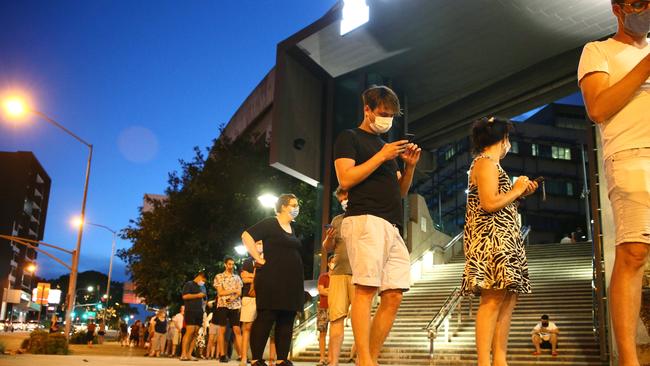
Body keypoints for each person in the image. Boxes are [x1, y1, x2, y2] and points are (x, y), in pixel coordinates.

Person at [578, 2, 650, 364]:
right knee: (633, 253)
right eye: (639, 4)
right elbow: (598, 107)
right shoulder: (598, 51)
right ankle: (628, 359)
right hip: (631, 153)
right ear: (618, 8)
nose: (646, 11)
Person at [333, 85, 421, 366]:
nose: (388, 120)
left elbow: (401, 192)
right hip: (364, 219)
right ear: (367, 110)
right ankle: (368, 361)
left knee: (394, 294)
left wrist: (409, 167)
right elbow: (345, 179)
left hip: (391, 224)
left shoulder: (386, 148)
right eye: (383, 114)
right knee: (366, 289)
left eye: (392, 115)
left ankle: (365, 359)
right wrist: (382, 156)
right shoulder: (350, 137)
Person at [460, 117, 538, 366]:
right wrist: (515, 189)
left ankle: (499, 360)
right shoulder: (484, 164)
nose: (509, 144)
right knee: (492, 299)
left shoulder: (492, 165)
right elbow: (488, 203)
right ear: (502, 139)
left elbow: (497, 201)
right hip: (490, 242)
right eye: (508, 139)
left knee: (506, 299)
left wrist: (519, 193)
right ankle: (486, 361)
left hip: (503, 239)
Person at [241, 193, 305, 366]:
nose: (296, 208)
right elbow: (246, 235)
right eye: (293, 204)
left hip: (291, 282)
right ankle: (256, 359)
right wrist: (257, 258)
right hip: (271, 278)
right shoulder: (270, 222)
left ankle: (282, 359)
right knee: (267, 316)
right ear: (283, 206)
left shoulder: (293, 228)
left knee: (287, 317)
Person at [323, 187, 355, 366]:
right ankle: (332, 362)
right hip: (338, 274)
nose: (344, 202)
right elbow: (328, 247)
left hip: (361, 275)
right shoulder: (337, 220)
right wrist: (328, 239)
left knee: (361, 321)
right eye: (341, 199)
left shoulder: (366, 216)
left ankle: (363, 360)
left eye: (346, 197)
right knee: (336, 318)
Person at [214, 256, 244, 363]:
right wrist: (233, 290)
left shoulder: (237, 278)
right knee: (222, 330)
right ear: (225, 264)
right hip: (222, 305)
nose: (231, 266)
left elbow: (239, 292)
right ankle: (222, 355)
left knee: (237, 330)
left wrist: (233, 297)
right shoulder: (219, 277)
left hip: (235, 305)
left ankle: (242, 355)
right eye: (229, 264)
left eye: (233, 264)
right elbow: (220, 292)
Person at [240, 241, 263, 366]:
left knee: (260, 328)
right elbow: (243, 278)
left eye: (261, 243)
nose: (260, 245)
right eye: (258, 243)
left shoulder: (267, 259)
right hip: (249, 296)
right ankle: (243, 357)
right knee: (247, 327)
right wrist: (257, 277)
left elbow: (268, 278)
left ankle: (256, 358)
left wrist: (251, 276)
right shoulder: (248, 261)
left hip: (264, 297)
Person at [181, 272, 207, 361]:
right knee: (190, 331)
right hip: (190, 310)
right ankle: (183, 354)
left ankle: (189, 354)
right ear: (200, 276)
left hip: (199, 311)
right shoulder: (189, 284)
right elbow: (184, 296)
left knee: (196, 333)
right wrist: (197, 295)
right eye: (203, 280)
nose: (203, 282)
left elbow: (204, 299)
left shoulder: (202, 287)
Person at [317, 256, 334, 366]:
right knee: (322, 333)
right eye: (332, 262)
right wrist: (331, 291)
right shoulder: (323, 277)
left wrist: (327, 290)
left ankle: (331, 358)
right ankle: (322, 358)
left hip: (334, 308)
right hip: (323, 308)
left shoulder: (338, 277)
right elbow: (321, 291)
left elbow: (339, 292)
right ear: (328, 263)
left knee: (334, 335)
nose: (334, 264)